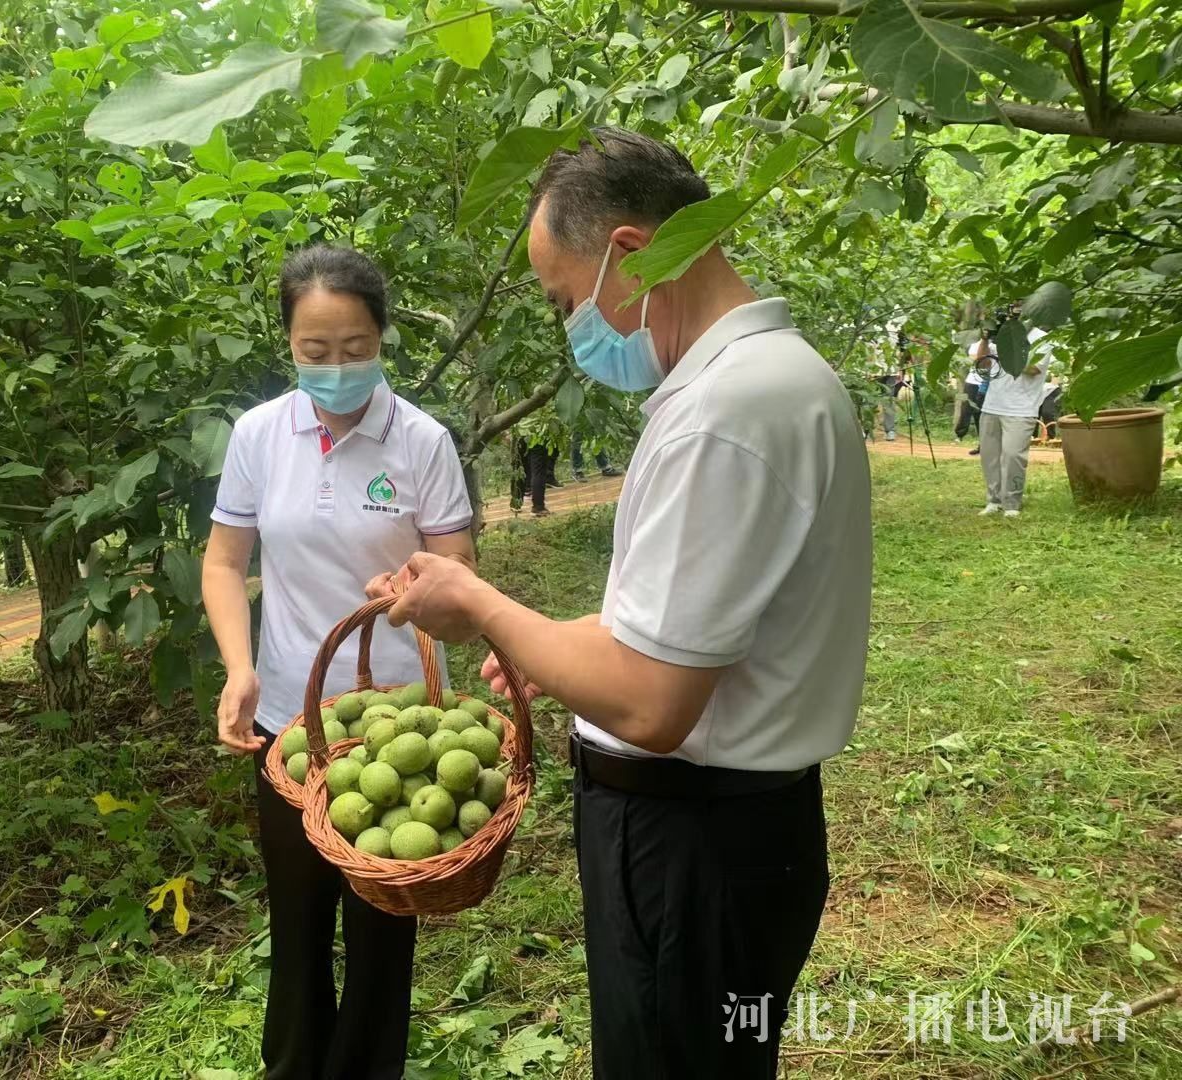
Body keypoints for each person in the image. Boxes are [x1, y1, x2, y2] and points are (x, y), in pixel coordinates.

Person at [373, 129, 872, 1078]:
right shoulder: (762, 384)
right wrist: (542, 642)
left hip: (694, 854)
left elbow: (651, 702)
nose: (573, 330)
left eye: (567, 300)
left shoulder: (728, 414)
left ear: (633, 255)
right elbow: (687, 633)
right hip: (730, 840)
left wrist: (478, 601)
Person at [201, 245, 477, 1080]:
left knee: (381, 929)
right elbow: (223, 563)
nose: (336, 367)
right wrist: (238, 667)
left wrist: (419, 589)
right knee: (297, 921)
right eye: (315, 352)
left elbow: (458, 574)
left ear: (383, 336)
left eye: (355, 347)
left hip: (399, 726)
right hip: (290, 721)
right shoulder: (258, 434)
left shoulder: (421, 440)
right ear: (288, 344)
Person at [978, 325, 1054, 518]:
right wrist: (986, 339)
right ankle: (993, 501)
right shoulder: (1000, 333)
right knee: (990, 457)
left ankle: (1011, 503)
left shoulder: (1041, 338)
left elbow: (1034, 369)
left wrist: (1005, 351)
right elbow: (982, 364)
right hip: (992, 405)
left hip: (1021, 409)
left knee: (1013, 456)